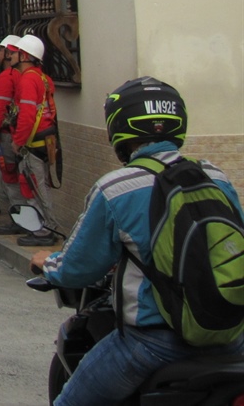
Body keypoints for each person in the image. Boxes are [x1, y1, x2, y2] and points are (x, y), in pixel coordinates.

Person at [30, 77, 244, 406]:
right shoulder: (215, 176)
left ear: (119, 127)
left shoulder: (116, 187)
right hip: (231, 336)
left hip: (153, 344)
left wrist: (49, 264)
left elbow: (79, 267)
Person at [12, 34, 59, 246]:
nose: (10, 55)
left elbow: (28, 114)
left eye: (14, 52)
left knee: (36, 187)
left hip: (34, 142)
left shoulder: (29, 79)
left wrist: (18, 141)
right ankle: (43, 227)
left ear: (24, 55)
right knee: (37, 186)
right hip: (44, 140)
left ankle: (45, 230)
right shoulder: (42, 77)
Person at [0, 35, 30, 234]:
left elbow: (0, 109)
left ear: (10, 53)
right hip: (21, 135)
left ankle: (20, 220)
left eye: (1, 50)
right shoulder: (27, 76)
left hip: (8, 135)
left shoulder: (6, 77)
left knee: (10, 178)